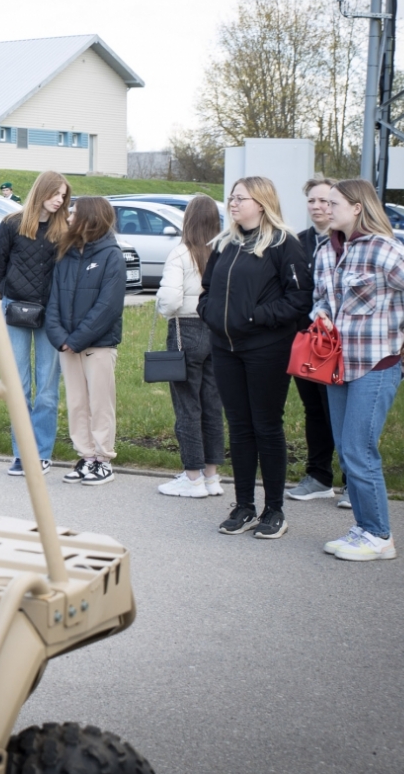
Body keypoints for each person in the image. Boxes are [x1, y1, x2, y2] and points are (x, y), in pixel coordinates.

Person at [314, 178, 404, 562]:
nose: (324, 207)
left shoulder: (382, 249)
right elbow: (318, 298)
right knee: (346, 450)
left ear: (357, 207)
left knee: (359, 449)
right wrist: (320, 315)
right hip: (336, 364)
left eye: (333, 202)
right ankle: (363, 527)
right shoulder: (326, 250)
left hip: (376, 365)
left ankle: (379, 535)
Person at [198, 176, 312, 539]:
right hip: (225, 348)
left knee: (266, 426)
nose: (232, 203)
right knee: (240, 427)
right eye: (230, 197)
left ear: (261, 203)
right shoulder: (225, 243)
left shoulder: (284, 244)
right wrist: (211, 315)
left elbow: (299, 300)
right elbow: (206, 289)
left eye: (240, 198)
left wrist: (254, 318)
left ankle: (274, 509)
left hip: (266, 349)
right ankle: (244, 505)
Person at [0, 169, 69, 476]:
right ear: (42, 191)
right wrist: (1, 303)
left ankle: (42, 452)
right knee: (18, 385)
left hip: (51, 313)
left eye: (64, 196)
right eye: (56, 194)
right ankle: (22, 453)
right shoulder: (11, 224)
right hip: (14, 309)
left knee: (47, 388)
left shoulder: (64, 229)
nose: (60, 200)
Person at [46, 196, 126, 487]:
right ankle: (86, 457)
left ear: (90, 218)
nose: (68, 217)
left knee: (100, 403)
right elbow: (53, 299)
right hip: (67, 344)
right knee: (77, 403)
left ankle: (103, 460)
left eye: (74, 212)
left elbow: (109, 306)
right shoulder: (65, 253)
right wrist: (59, 337)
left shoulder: (111, 255)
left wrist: (77, 339)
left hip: (97, 345)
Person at [155, 193, 225, 498]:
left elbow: (170, 300)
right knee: (212, 404)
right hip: (218, 332)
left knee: (187, 405)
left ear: (188, 219)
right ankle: (212, 475)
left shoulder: (181, 253)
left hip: (186, 328)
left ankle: (192, 476)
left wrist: (162, 309)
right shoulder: (223, 250)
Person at [287, 175, 342, 504]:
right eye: (312, 201)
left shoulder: (347, 241)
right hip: (307, 341)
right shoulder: (298, 242)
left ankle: (353, 482)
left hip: (339, 342)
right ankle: (319, 476)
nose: (318, 206)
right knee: (314, 410)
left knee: (339, 409)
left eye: (325, 201)